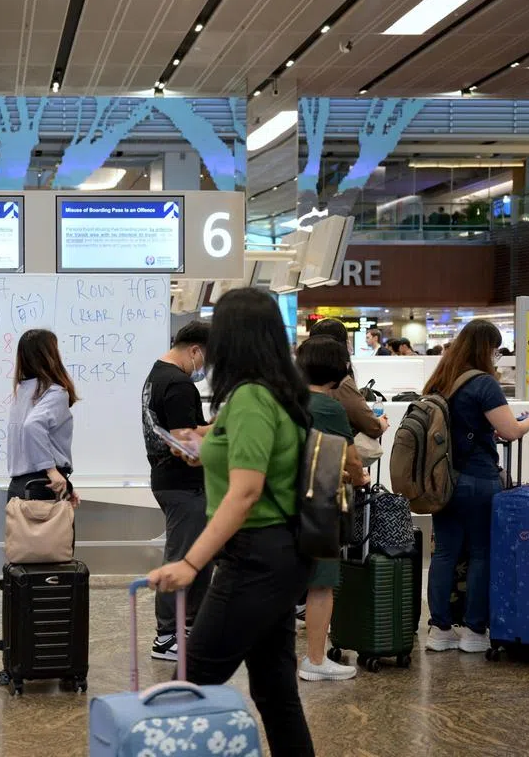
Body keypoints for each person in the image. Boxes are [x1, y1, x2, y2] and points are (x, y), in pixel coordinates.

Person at [148, 288, 315, 757]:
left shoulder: (250, 398)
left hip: (254, 558)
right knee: (275, 691)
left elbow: (245, 492)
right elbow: (250, 459)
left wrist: (191, 563)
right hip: (283, 554)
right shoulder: (277, 394)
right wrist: (205, 446)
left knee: (189, 685)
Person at [423, 320, 529, 653]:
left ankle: (439, 629)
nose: (495, 356)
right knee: (480, 552)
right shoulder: (484, 383)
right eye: (495, 350)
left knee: (444, 553)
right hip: (478, 480)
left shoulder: (441, 380)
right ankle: (475, 632)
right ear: (486, 349)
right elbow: (511, 431)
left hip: (443, 480)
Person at [294, 336, 370, 682]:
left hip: (286, 501)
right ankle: (315, 659)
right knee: (321, 584)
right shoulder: (329, 408)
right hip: (320, 504)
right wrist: (360, 477)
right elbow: (352, 460)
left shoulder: (287, 400)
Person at [140, 321, 213, 661]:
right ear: (195, 350)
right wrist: (223, 427)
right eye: (206, 358)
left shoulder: (156, 375)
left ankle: (186, 628)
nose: (205, 368)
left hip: (169, 480)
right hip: (183, 484)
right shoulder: (179, 383)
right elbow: (185, 438)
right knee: (183, 557)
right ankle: (167, 635)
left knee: (194, 555)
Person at [6, 329, 80, 507]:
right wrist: (52, 471)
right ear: (50, 356)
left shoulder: (22, 391)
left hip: (18, 487)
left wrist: (65, 486)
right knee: (59, 527)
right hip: (43, 485)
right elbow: (32, 426)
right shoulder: (55, 392)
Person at [308, 319, 388, 442]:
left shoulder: (302, 376)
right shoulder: (339, 381)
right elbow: (372, 426)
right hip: (336, 449)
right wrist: (381, 422)